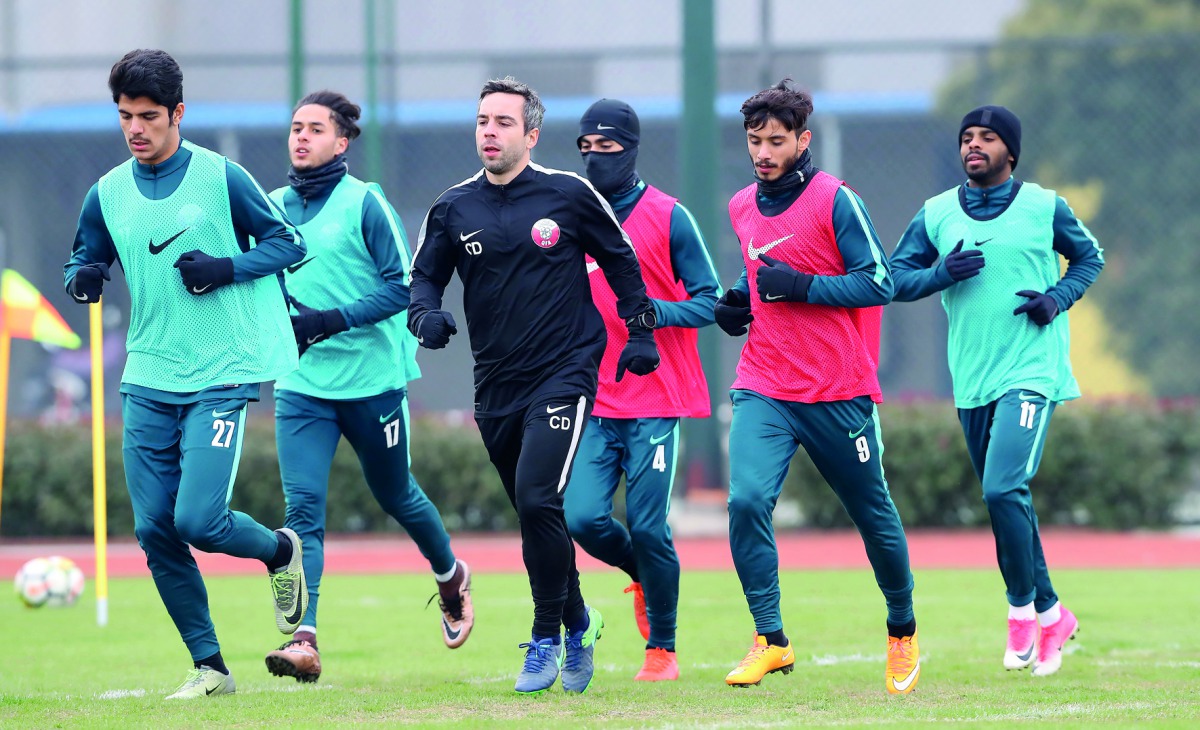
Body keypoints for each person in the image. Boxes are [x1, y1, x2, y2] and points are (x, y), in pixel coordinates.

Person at [62, 49, 307, 700]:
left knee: (197, 520)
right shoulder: (106, 192)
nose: (135, 129)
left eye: (148, 117)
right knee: (153, 531)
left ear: (178, 114)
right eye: (124, 117)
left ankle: (281, 552)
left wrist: (227, 267)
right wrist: (83, 278)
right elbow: (82, 259)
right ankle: (211, 669)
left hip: (220, 374)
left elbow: (288, 244)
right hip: (146, 376)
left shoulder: (223, 178)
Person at [407, 77, 659, 695]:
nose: (488, 131)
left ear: (531, 135)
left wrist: (641, 331)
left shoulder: (569, 195)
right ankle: (580, 620)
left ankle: (546, 637)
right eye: (482, 121)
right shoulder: (452, 207)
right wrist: (425, 317)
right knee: (533, 513)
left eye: (502, 122)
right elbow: (423, 280)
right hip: (496, 384)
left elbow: (622, 259)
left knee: (540, 498)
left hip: (565, 370)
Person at [713, 79, 920, 694]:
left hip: (838, 390)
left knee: (871, 513)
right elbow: (759, 281)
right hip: (764, 383)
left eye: (776, 140)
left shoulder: (836, 200)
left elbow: (879, 282)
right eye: (755, 141)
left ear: (803, 140)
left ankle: (902, 630)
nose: (763, 152)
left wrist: (801, 288)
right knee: (747, 501)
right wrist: (737, 305)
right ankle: (771, 640)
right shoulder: (740, 205)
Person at [261, 90, 474, 684]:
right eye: (295, 128)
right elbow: (260, 283)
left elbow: (400, 290)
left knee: (396, 494)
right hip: (302, 384)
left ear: (342, 141)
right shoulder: (272, 206)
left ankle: (451, 576)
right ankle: (306, 640)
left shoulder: (365, 205)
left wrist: (324, 322)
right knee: (301, 513)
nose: (300, 138)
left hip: (371, 381)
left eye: (314, 129)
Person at [890, 105, 1103, 677]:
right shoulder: (935, 213)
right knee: (1005, 497)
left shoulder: (1043, 205)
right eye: (966, 138)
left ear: (1011, 151)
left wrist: (1056, 298)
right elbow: (892, 277)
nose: (974, 146)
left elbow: (1089, 259)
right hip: (973, 380)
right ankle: (1054, 612)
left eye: (987, 138)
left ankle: (1021, 613)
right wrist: (941, 274)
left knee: (1003, 485)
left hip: (1032, 371)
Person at [563, 99, 720, 682]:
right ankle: (641, 572)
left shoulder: (669, 215)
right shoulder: (572, 215)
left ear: (630, 150)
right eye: (586, 148)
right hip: (594, 397)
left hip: (656, 396)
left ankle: (663, 649)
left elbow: (709, 298)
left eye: (607, 149)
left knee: (651, 524)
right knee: (582, 519)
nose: (595, 158)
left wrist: (653, 315)